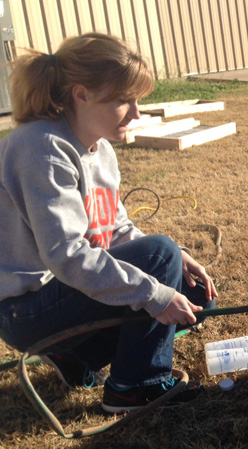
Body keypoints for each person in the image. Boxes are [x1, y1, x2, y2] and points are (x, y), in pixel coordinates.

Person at [0, 32, 218, 412]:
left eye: (138, 101)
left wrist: (174, 261)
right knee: (160, 264)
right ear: (81, 94)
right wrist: (154, 289)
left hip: (63, 294)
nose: (136, 113)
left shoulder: (99, 150)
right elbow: (67, 255)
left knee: (194, 292)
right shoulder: (41, 147)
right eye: (123, 101)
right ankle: (134, 386)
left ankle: (77, 356)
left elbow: (115, 230)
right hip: (26, 310)